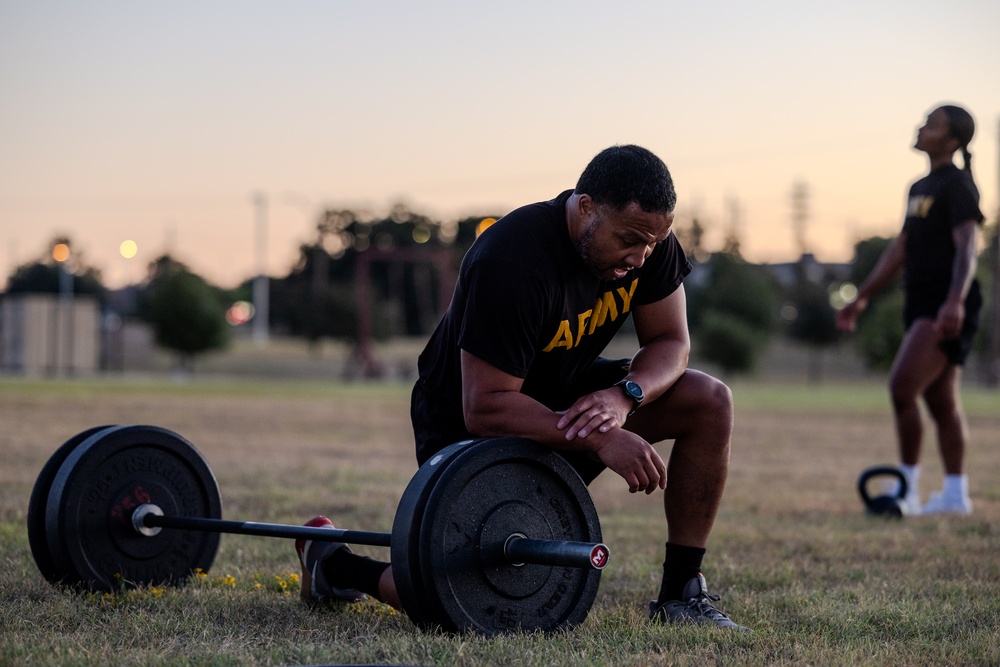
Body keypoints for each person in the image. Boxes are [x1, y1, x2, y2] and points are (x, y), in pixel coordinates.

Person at [296, 144, 747, 630]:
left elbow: (671, 342)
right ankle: (334, 565)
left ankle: (681, 593)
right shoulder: (511, 259)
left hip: (568, 399)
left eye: (653, 243)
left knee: (708, 400)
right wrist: (598, 435)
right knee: (476, 597)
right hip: (472, 425)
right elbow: (485, 407)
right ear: (586, 206)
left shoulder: (647, 243)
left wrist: (623, 397)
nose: (639, 258)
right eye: (629, 240)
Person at [836, 104, 984, 515]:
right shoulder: (919, 186)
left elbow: (969, 247)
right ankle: (955, 497)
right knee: (941, 401)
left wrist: (954, 300)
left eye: (932, 125)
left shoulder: (958, 185)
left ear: (952, 141)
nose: (921, 127)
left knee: (902, 387)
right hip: (920, 299)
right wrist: (863, 295)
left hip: (945, 302)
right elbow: (901, 247)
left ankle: (909, 490)